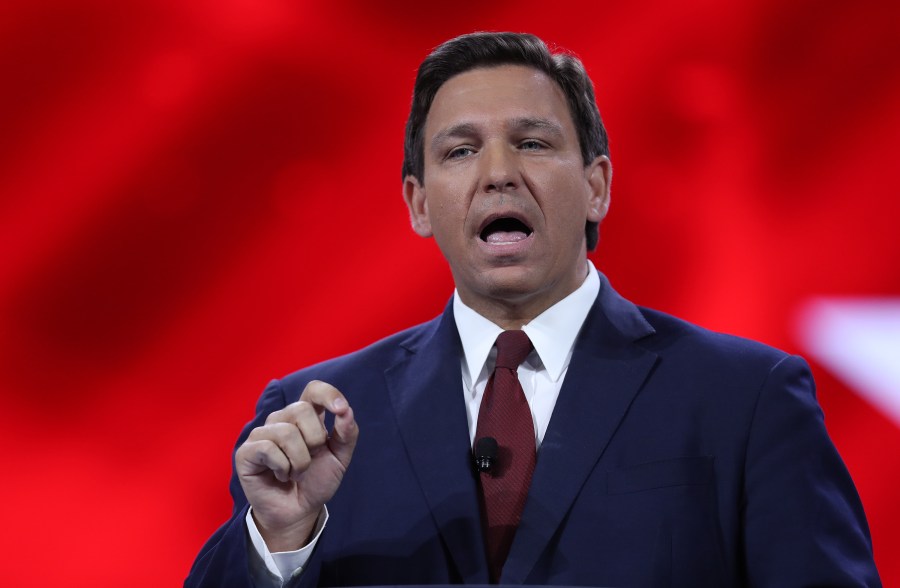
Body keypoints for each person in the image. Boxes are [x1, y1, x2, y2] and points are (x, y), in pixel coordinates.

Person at [185, 32, 881, 587]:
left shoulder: (747, 398)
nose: (497, 172)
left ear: (597, 186)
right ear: (420, 204)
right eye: (460, 151)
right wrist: (278, 542)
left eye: (532, 142)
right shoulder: (322, 416)